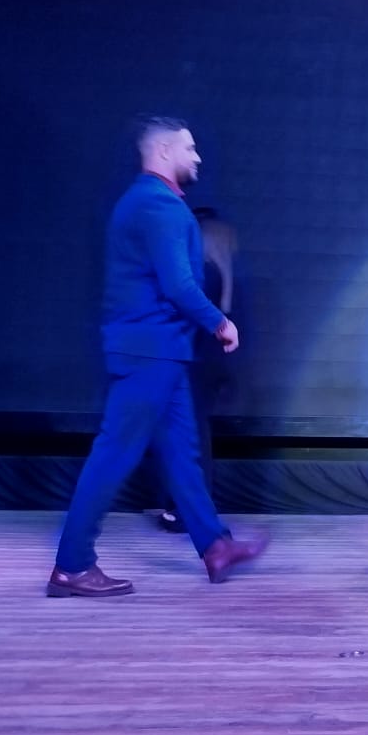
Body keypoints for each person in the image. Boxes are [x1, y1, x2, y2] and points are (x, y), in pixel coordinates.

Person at [48, 116, 264, 598]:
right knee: (114, 454)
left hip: (161, 352)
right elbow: (179, 285)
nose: (198, 157)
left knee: (183, 456)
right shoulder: (158, 205)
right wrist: (221, 323)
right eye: (190, 148)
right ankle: (72, 565)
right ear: (164, 151)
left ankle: (215, 545)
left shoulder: (147, 202)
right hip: (149, 352)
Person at [157, 206, 237, 535]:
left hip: (194, 360)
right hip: (204, 361)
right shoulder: (216, 270)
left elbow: (191, 315)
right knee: (192, 434)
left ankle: (187, 510)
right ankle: (189, 509)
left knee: (188, 436)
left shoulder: (201, 272)